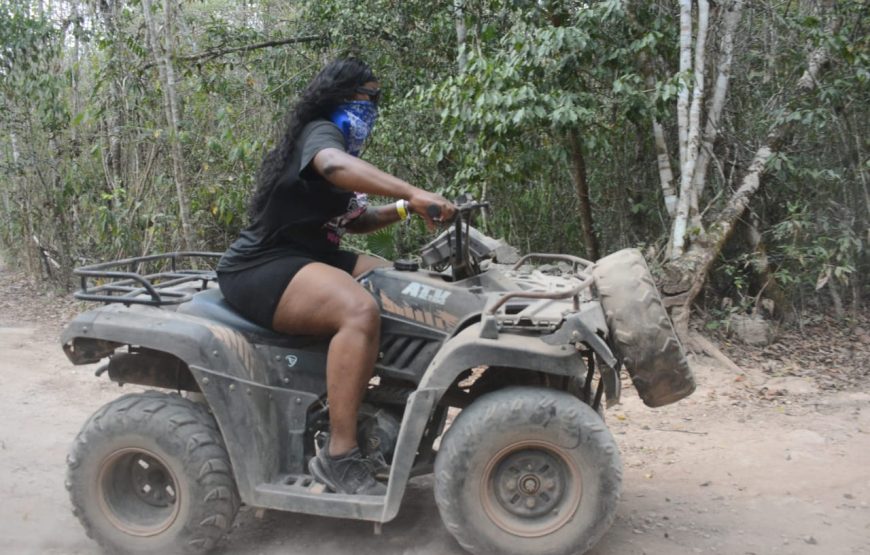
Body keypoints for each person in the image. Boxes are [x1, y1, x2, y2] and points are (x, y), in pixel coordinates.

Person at [216, 58, 455, 495]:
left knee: (410, 292)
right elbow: (331, 165)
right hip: (263, 265)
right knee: (359, 310)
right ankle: (340, 455)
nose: (374, 108)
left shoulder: (343, 151)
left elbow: (355, 221)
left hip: (311, 256)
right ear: (343, 96)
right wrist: (412, 190)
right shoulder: (322, 136)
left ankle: (387, 407)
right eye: (370, 97)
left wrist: (406, 209)